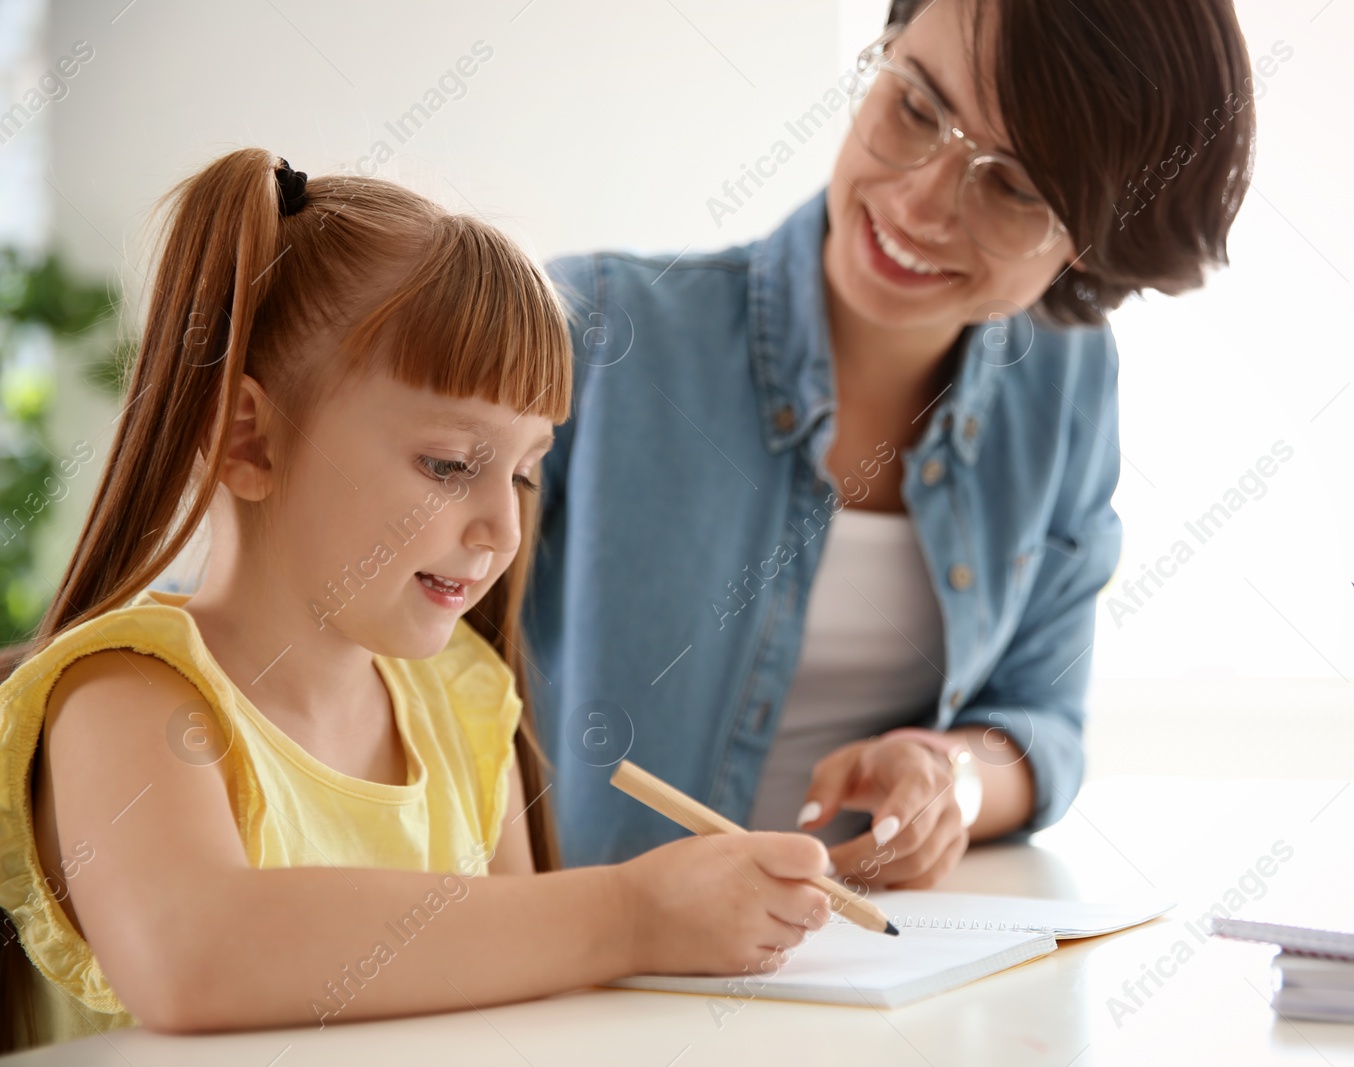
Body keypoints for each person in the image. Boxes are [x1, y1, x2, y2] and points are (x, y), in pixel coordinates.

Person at [0, 149, 829, 1052]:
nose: (502, 531)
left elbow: (519, 1001)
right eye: (448, 465)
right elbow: (192, 955)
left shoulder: (463, 703)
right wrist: (629, 913)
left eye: (522, 471)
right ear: (248, 436)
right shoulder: (128, 695)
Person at [529, 0, 1255, 887]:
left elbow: (1043, 720)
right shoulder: (594, 331)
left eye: (1016, 187)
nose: (919, 201)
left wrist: (948, 777)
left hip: (871, 976)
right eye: (914, 106)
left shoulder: (1063, 380)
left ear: (1089, 248)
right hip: (596, 983)